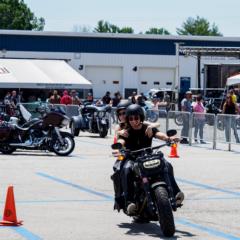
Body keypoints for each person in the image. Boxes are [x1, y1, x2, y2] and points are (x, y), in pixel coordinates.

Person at [116, 104, 184, 216]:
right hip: (133, 158)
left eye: (136, 118)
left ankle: (176, 193)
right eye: (131, 119)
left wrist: (168, 139)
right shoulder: (126, 131)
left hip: (148, 156)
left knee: (167, 164)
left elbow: (158, 134)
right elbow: (121, 141)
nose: (134, 121)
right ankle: (129, 202)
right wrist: (119, 145)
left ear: (141, 117)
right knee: (126, 169)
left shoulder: (147, 128)